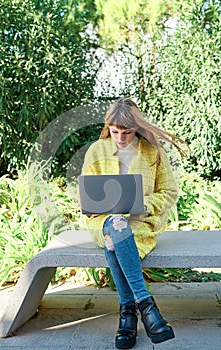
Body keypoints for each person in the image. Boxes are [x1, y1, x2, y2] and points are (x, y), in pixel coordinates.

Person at [81, 97, 187, 349]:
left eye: (127, 132)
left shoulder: (152, 151)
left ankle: (127, 313)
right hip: (102, 220)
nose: (120, 138)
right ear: (109, 127)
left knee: (114, 242)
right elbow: (86, 198)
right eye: (115, 131)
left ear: (136, 128)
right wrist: (111, 209)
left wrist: (141, 203)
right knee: (116, 224)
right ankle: (146, 305)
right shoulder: (96, 150)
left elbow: (169, 192)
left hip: (141, 221)